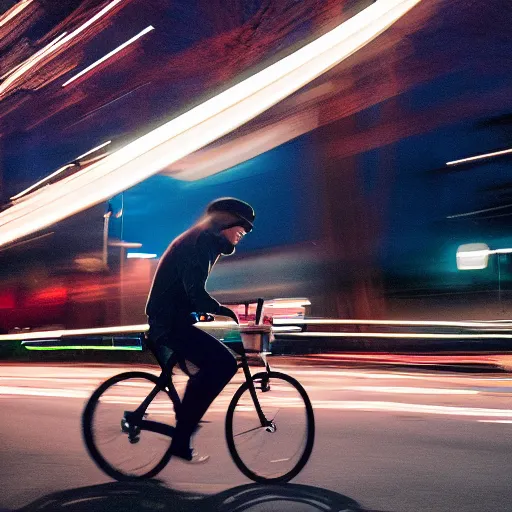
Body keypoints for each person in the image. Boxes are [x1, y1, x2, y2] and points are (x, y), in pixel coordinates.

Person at [145, 197, 255, 463]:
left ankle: (184, 429)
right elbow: (193, 290)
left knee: (208, 368)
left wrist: (207, 311)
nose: (245, 231)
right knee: (224, 364)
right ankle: (182, 436)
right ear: (225, 220)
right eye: (241, 226)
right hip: (169, 321)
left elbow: (187, 290)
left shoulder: (206, 241)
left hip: (175, 318)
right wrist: (224, 311)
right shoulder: (202, 242)